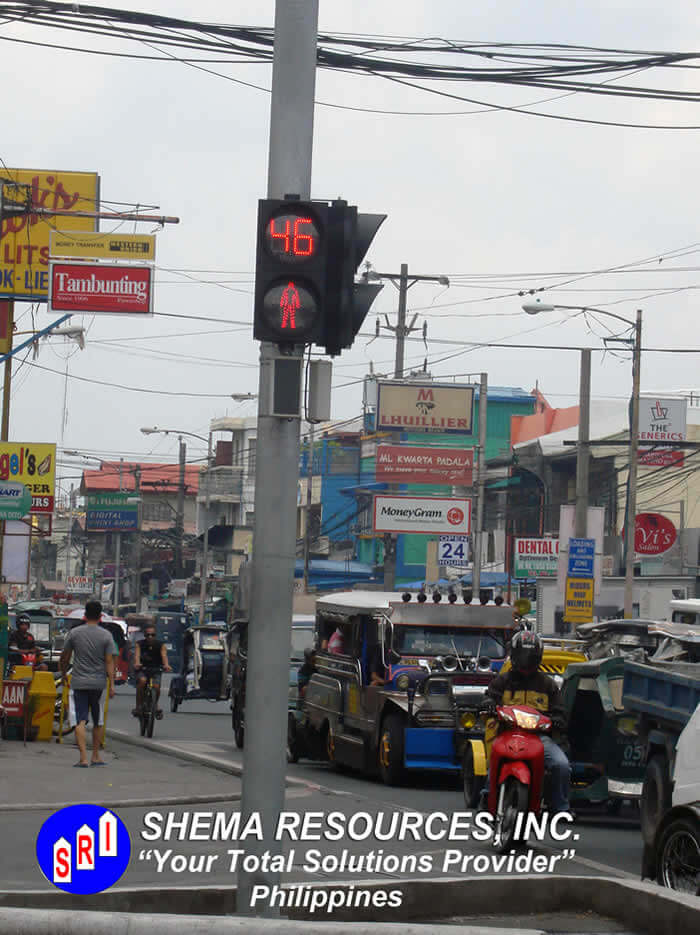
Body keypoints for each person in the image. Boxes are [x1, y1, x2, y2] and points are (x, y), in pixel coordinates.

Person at [481, 630, 571, 813]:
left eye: (530, 656)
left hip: (539, 739)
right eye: (522, 655)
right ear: (514, 655)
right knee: (493, 763)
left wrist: (558, 721)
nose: (526, 660)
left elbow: (560, 712)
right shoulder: (502, 681)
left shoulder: (548, 685)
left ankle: (560, 807)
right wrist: (489, 704)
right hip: (507, 734)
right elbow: (489, 698)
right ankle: (486, 800)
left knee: (561, 765)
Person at [59, 599, 115, 768]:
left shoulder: (74, 633)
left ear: (84, 615)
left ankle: (83, 758)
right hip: (98, 683)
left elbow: (65, 657)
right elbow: (109, 662)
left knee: (79, 720)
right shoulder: (106, 635)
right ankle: (96, 756)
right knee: (98, 721)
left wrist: (63, 674)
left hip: (78, 683)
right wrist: (111, 684)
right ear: (100, 616)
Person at [133, 624, 172, 719]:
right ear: (145, 636)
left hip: (156, 669)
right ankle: (138, 706)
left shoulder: (161, 645)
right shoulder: (139, 644)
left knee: (156, 687)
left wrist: (166, 665)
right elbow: (137, 656)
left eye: (152, 635)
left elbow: (164, 656)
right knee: (142, 681)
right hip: (143, 668)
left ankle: (155, 704)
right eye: (148, 635)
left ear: (155, 635)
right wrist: (137, 663)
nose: (150, 637)